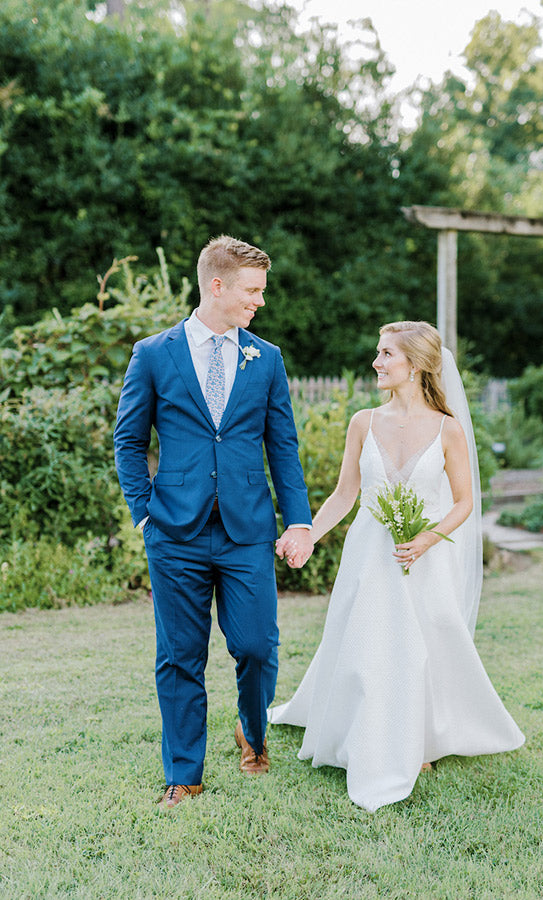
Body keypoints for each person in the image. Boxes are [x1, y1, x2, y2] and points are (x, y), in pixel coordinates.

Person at [269, 321, 524, 812]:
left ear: (417, 365)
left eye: (386, 354)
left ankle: (421, 739)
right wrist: (308, 534)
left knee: (423, 646)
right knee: (366, 641)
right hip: (370, 553)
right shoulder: (363, 422)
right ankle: (358, 732)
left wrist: (428, 538)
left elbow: (466, 501)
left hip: (426, 556)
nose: (376, 363)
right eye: (378, 352)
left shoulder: (449, 429)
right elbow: (346, 494)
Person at [114, 235, 313, 809]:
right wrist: (142, 513)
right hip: (173, 530)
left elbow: (284, 449)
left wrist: (297, 521)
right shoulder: (154, 353)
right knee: (180, 654)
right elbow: (129, 441)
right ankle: (185, 775)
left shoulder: (266, 358)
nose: (260, 302)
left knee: (255, 646)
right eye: (253, 291)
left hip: (248, 528)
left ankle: (252, 732)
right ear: (217, 285)